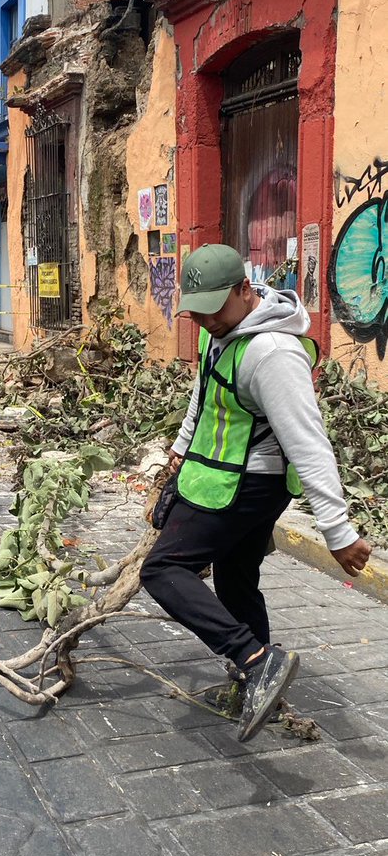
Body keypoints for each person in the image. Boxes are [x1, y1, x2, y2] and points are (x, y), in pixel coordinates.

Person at [140, 243, 371, 743]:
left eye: (213, 310)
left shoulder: (272, 353)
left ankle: (255, 660)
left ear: (246, 290)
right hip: (217, 474)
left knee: (162, 570)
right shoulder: (219, 332)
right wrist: (177, 458)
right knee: (236, 575)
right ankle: (258, 681)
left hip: (250, 485)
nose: (204, 322)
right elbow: (201, 400)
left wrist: (337, 530)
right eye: (196, 313)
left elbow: (309, 444)